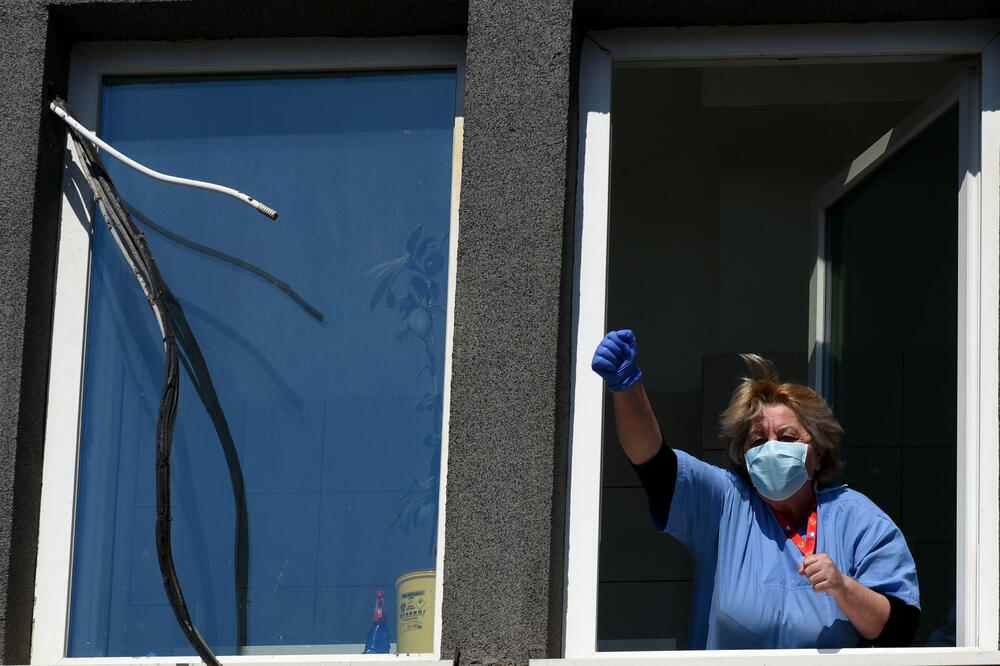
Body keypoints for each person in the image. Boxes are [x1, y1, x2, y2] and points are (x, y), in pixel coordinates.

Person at [591, 329, 920, 649]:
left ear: (818, 454)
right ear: (745, 457)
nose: (773, 448)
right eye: (759, 440)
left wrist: (843, 587)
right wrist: (626, 387)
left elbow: (899, 630)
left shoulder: (858, 520)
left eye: (788, 438)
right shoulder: (724, 503)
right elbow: (653, 462)